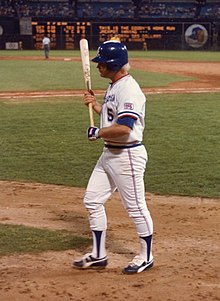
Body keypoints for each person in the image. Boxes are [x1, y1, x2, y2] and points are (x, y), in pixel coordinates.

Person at [73, 41, 154, 274]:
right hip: (110, 154)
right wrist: (97, 106)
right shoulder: (114, 85)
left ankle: (146, 256)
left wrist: (97, 133)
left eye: (101, 64)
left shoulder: (129, 89)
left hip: (126, 155)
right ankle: (99, 255)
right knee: (92, 200)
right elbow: (112, 118)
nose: (98, 67)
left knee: (136, 208)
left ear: (114, 64)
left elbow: (125, 128)